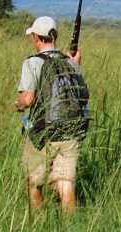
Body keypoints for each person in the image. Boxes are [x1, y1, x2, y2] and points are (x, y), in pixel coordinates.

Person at [15, 16, 87, 215]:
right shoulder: (70, 62)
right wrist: (76, 64)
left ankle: (38, 228)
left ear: (37, 37)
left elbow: (28, 99)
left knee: (34, 183)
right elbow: (82, 97)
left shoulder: (32, 63)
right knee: (65, 184)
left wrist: (18, 104)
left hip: (41, 133)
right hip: (70, 130)